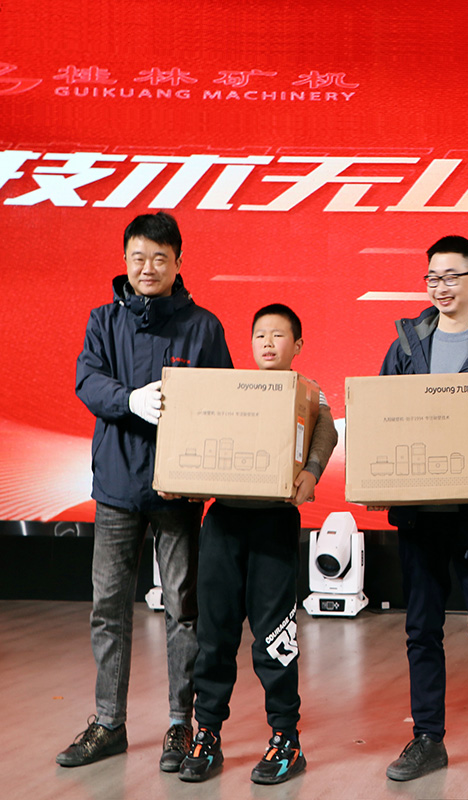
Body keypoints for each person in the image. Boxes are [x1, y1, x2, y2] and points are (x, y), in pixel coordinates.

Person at [60, 212, 233, 771]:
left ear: (178, 262)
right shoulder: (103, 320)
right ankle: (109, 722)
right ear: (125, 261)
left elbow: (225, 402)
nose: (148, 267)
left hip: (178, 492)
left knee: (183, 610)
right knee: (108, 607)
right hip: (116, 485)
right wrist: (129, 399)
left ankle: (180, 725)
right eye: (138, 257)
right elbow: (88, 380)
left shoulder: (203, 327)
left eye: (160, 257)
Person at [379, 236, 468, 791]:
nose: (441, 287)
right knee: (422, 628)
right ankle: (428, 738)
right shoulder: (405, 345)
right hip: (420, 512)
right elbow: (384, 416)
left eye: (452, 277)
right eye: (432, 278)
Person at [177, 303, 338, 784]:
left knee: (275, 637)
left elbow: (326, 430)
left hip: (274, 524)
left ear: (298, 345)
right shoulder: (233, 390)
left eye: (278, 335)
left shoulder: (307, 391)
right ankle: (206, 734)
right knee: (214, 635)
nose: (267, 343)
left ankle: (286, 738)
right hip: (223, 522)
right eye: (259, 335)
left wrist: (312, 472)